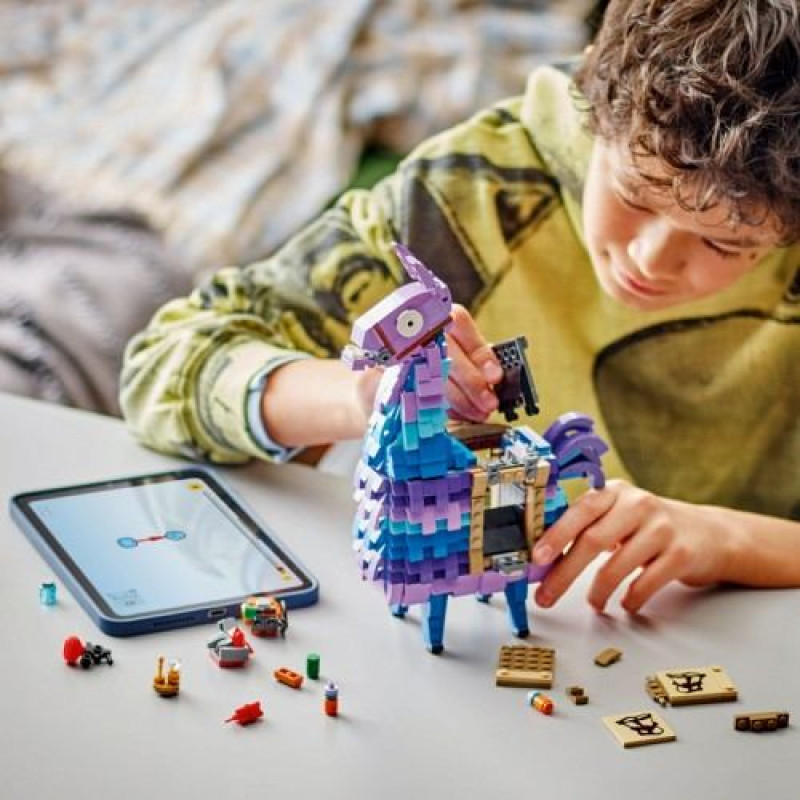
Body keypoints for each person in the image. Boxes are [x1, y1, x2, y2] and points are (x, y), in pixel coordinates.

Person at [121, 0, 800, 614]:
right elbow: (168, 364)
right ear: (595, 91)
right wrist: (369, 397)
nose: (651, 259)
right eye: (634, 194)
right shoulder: (468, 198)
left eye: (725, 243)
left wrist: (733, 540)